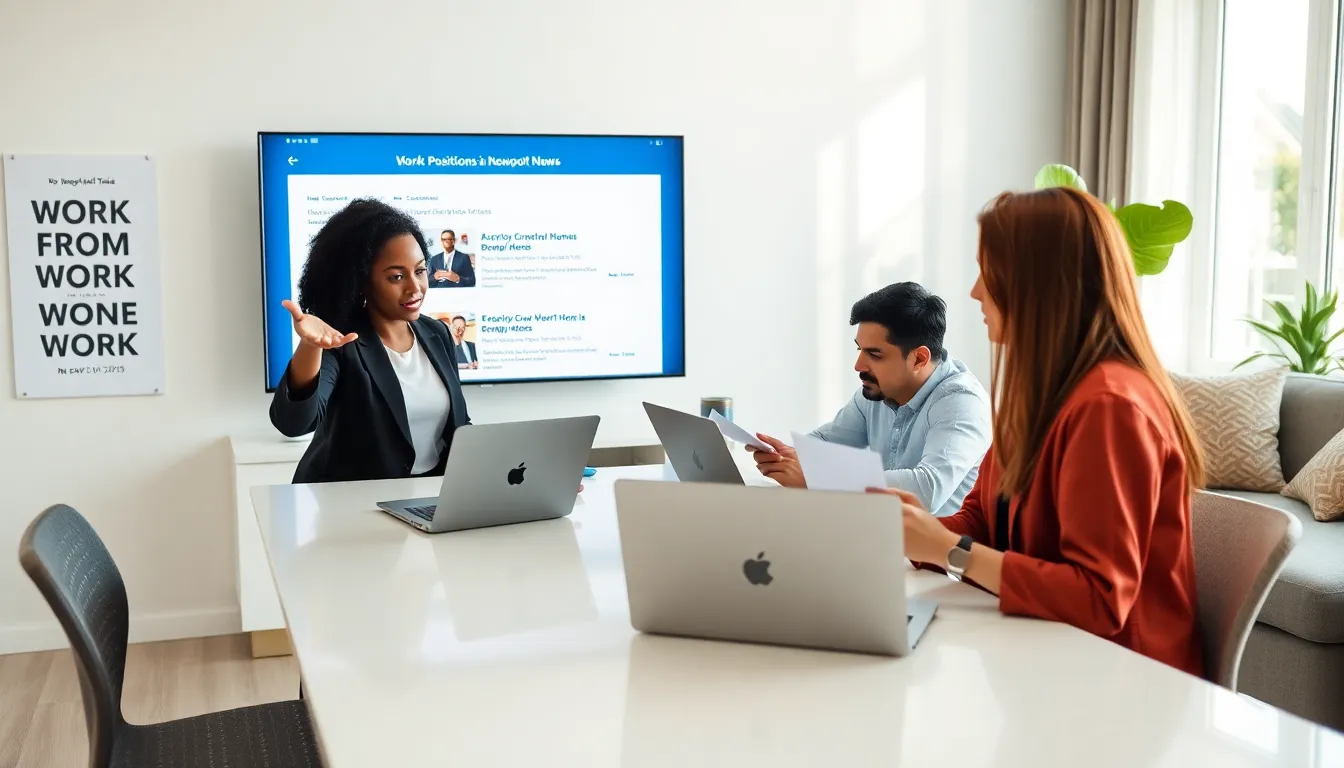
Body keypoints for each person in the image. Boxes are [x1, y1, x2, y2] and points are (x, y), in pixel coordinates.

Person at [874, 187, 1206, 677]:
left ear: (1041, 285)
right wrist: (908, 532)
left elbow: (1100, 599)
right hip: (1046, 655)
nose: (974, 291)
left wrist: (946, 550)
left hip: (1122, 682)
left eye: (990, 272)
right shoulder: (1040, 395)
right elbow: (985, 524)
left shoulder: (1110, 406)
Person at [270, 199, 472, 484]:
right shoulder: (341, 340)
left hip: (430, 496)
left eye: (420, 270)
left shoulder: (437, 333)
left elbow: (458, 425)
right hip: (349, 506)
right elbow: (294, 423)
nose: (415, 288)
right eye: (397, 277)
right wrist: (311, 345)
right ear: (361, 281)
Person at [749, 282, 992, 517]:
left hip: (936, 554)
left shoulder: (961, 402)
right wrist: (786, 455)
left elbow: (929, 488)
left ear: (919, 359)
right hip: (881, 535)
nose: (858, 366)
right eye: (859, 350)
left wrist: (818, 477)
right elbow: (826, 443)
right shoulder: (876, 391)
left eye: (874, 355)